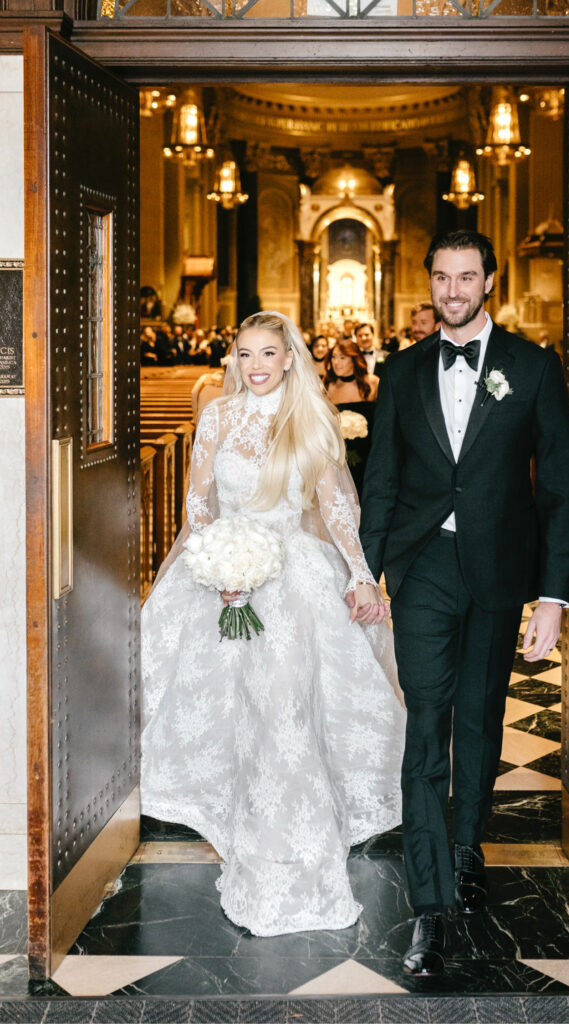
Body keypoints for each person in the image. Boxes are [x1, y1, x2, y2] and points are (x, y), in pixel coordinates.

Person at [359, 230, 569, 977]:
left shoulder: (532, 366)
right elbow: (381, 480)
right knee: (427, 722)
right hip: (421, 568)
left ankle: (464, 846)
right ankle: (430, 904)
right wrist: (365, 571)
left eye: (466, 277)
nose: (452, 290)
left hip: (498, 570)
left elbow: (559, 485)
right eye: (441, 277)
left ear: (489, 281)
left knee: (481, 719)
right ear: (428, 282)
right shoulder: (402, 370)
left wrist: (552, 595)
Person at [141, 311, 405, 937]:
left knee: (285, 706)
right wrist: (213, 563)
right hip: (225, 574)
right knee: (230, 704)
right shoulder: (216, 417)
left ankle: (289, 842)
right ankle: (237, 815)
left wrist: (359, 574)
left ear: (289, 358)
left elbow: (336, 506)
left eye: (267, 353)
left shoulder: (310, 417)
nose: (255, 365)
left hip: (296, 577)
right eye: (245, 354)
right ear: (233, 360)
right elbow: (199, 502)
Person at [325, 339, 379, 493]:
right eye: (334, 357)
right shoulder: (328, 386)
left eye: (342, 357)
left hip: (369, 457)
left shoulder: (372, 383)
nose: (336, 362)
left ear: (354, 359)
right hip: (339, 459)